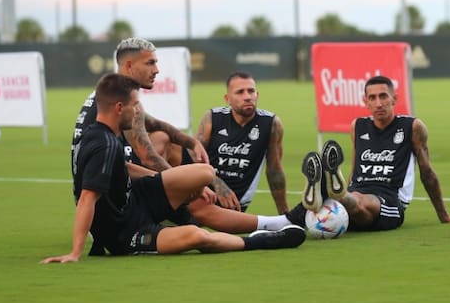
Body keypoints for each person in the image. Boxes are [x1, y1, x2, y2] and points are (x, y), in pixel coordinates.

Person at [43, 74, 305, 263]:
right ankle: (262, 239)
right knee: (196, 236)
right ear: (119, 108)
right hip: (126, 231)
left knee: (204, 174)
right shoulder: (103, 144)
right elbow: (87, 198)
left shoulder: (107, 135)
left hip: (137, 199)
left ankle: (183, 212)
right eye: (135, 107)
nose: (138, 114)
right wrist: (75, 252)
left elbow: (123, 168)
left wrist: (172, 181)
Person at [70, 38, 295, 246]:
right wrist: (187, 186)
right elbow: (146, 154)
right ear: (129, 66)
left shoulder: (110, 93)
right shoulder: (121, 105)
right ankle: (275, 224)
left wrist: (189, 141)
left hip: (110, 187)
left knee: (171, 144)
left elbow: (150, 123)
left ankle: (192, 216)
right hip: (114, 206)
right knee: (199, 194)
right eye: (150, 63)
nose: (157, 69)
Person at [288, 75, 450, 232]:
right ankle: (334, 193)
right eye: (372, 98)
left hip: (389, 199)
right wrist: (350, 186)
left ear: (394, 99)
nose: (379, 103)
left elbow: (427, 173)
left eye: (383, 96)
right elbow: (355, 168)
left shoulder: (412, 127)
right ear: (365, 101)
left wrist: (443, 215)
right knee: (331, 210)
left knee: (361, 204)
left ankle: (335, 193)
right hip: (357, 190)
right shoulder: (358, 126)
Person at [195, 71, 289, 214]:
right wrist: (217, 183)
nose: (247, 97)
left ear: (257, 95)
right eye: (240, 92)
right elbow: (193, 157)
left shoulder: (271, 124)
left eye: (251, 91)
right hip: (205, 193)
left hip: (235, 204)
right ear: (228, 99)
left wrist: (285, 215)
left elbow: (274, 171)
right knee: (164, 140)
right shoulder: (212, 118)